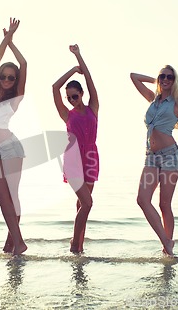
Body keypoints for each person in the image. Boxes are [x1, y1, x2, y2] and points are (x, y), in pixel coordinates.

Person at [130, 65, 178, 257]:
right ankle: (166, 242)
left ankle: (167, 249)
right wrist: (157, 82)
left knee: (164, 204)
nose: (166, 79)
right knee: (142, 199)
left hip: (170, 156)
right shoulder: (153, 99)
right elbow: (133, 77)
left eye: (170, 77)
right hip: (151, 156)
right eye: (162, 76)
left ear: (175, 80)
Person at [0, 18, 27, 255]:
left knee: (10, 195)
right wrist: (5, 38)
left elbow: (23, 62)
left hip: (10, 148)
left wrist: (12, 40)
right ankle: (13, 243)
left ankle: (17, 243)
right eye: (4, 76)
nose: (7, 80)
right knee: (0, 197)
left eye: (12, 77)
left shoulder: (15, 97)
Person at [52, 44, 99, 253]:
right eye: (69, 97)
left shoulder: (93, 109)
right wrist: (72, 68)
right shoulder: (67, 115)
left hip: (91, 158)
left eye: (75, 96)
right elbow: (54, 87)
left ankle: (80, 247)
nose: (71, 100)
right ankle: (74, 244)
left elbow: (90, 81)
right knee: (88, 203)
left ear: (81, 93)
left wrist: (80, 57)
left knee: (82, 205)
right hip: (73, 160)